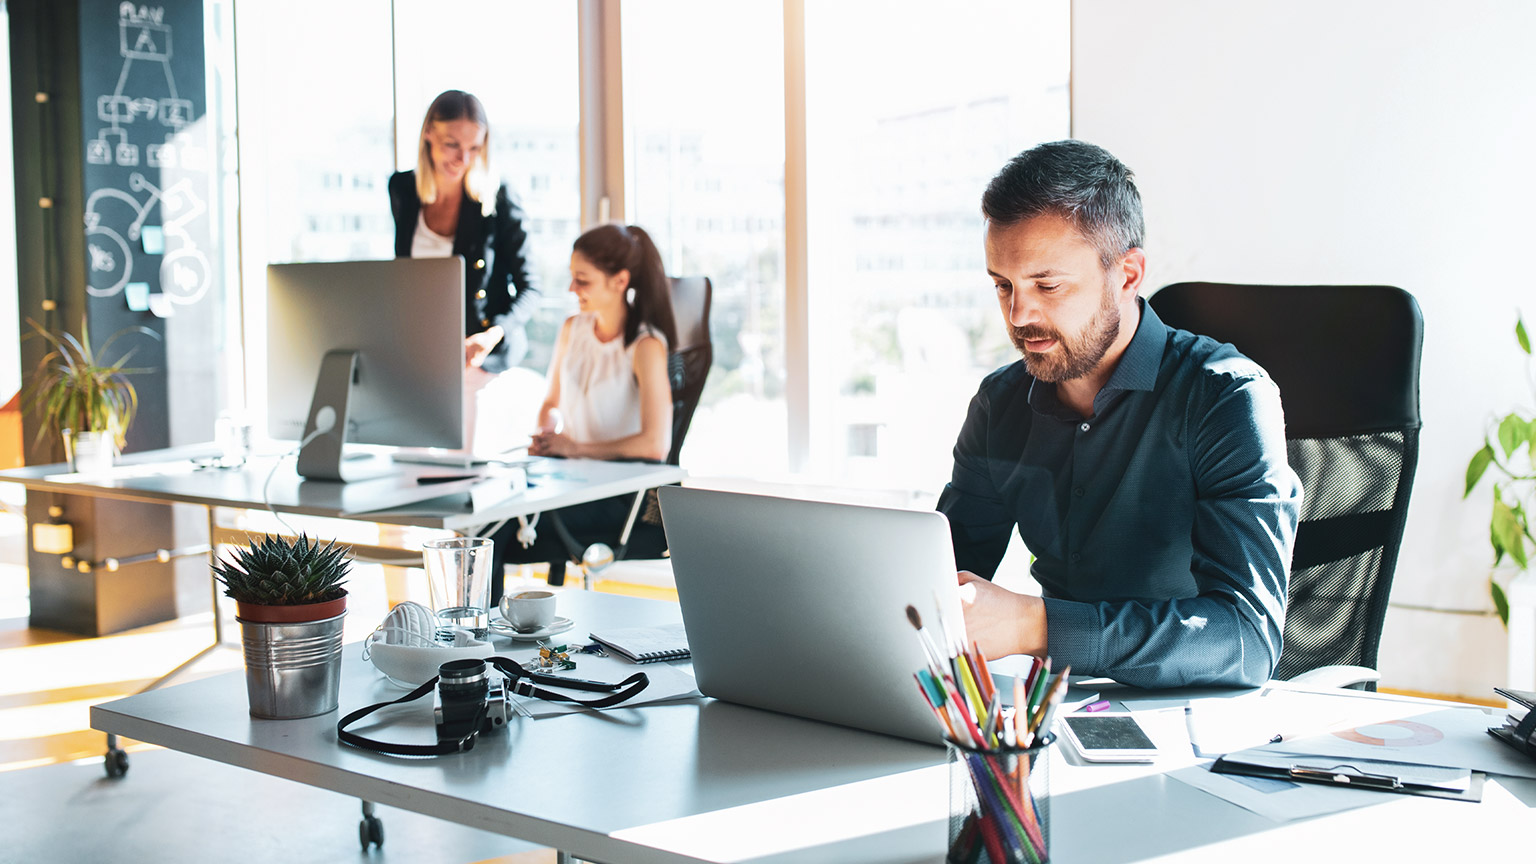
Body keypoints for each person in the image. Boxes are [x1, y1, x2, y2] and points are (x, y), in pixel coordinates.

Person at [938, 140, 1303, 689]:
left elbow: (1246, 641)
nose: (1019, 313)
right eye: (1003, 285)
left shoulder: (1226, 398)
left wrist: (1035, 624)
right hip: (1058, 710)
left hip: (1203, 719)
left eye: (1048, 284)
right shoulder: (999, 404)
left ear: (1128, 275)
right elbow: (939, 579)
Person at [491, 223, 678, 595]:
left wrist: (574, 448)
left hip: (619, 495)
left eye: (583, 280)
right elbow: (551, 403)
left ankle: (480, 642)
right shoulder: (572, 329)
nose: (571, 289)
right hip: (571, 482)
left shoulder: (645, 346)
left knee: (491, 533)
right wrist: (549, 435)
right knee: (482, 517)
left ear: (619, 281)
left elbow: (655, 444)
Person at [388, 90, 539, 450]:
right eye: (452, 144)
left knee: (458, 448)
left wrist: (492, 335)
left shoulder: (497, 198)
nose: (463, 158)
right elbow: (403, 277)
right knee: (403, 442)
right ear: (428, 135)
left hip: (481, 348)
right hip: (423, 346)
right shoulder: (403, 190)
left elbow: (530, 288)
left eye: (475, 148)